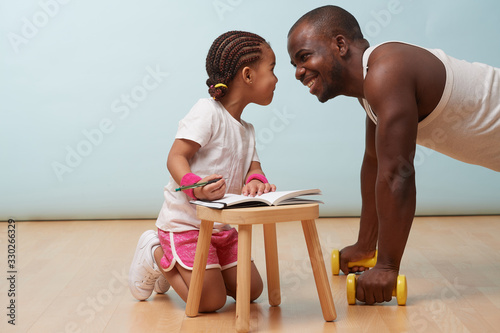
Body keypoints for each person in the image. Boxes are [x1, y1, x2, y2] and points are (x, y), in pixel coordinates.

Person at [287, 5, 500, 305]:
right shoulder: (371, 87)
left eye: (304, 56)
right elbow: (374, 164)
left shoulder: (387, 72)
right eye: (294, 63)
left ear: (340, 44)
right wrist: (365, 246)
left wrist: (387, 267)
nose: (298, 72)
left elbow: (398, 173)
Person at [128, 30, 278, 312]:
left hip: (219, 227)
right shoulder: (206, 112)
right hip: (186, 225)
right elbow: (176, 157)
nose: (276, 79)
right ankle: (155, 251)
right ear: (248, 75)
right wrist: (194, 185)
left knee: (252, 290)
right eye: (272, 69)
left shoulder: (247, 130)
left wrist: (257, 181)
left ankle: (188, 267)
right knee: (210, 301)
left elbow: (253, 167)